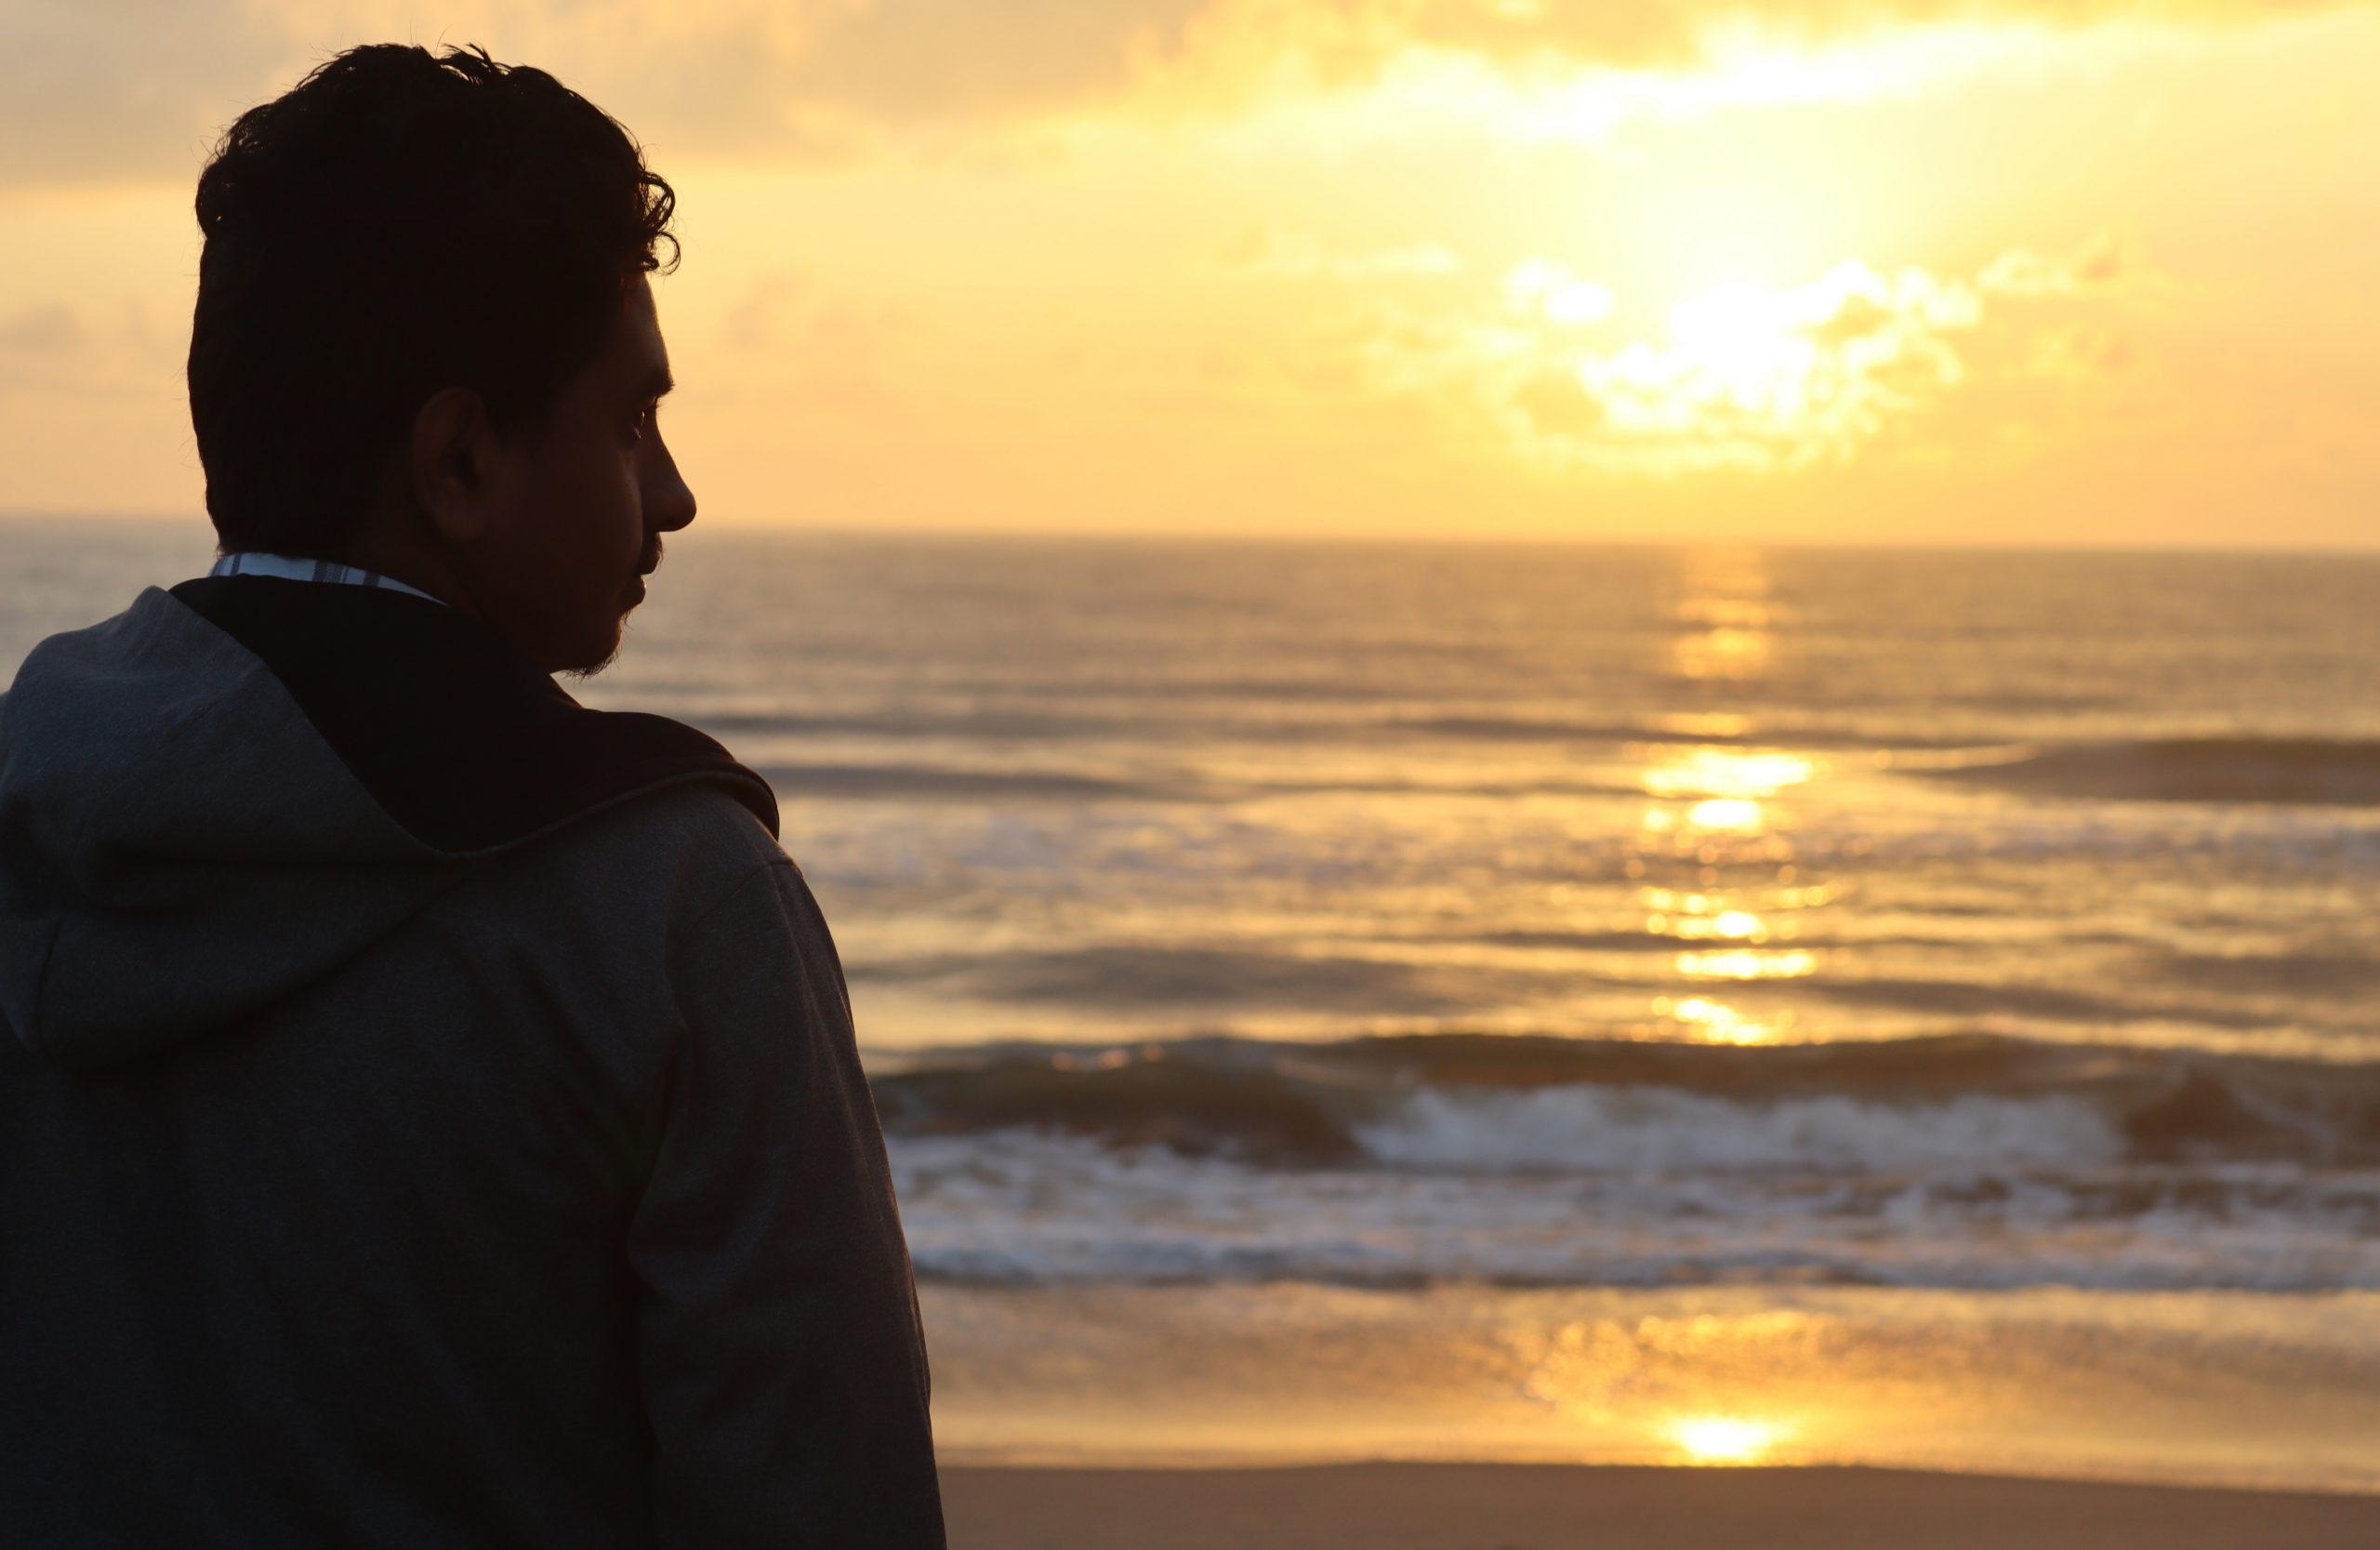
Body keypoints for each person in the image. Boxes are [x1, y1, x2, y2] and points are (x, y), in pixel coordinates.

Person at [0, 44, 945, 1547]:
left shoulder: (26, 812)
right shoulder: (675, 914)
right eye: (632, 421)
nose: (675, 492)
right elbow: (826, 1502)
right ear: (458, 461)